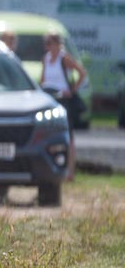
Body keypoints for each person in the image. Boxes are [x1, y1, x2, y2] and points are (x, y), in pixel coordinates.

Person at [40, 32, 87, 180]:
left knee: (68, 136)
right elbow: (43, 79)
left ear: (57, 44)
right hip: (50, 100)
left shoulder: (64, 58)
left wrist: (72, 90)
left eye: (50, 43)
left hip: (64, 100)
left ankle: (70, 171)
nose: (48, 46)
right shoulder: (46, 59)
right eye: (46, 43)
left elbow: (82, 73)